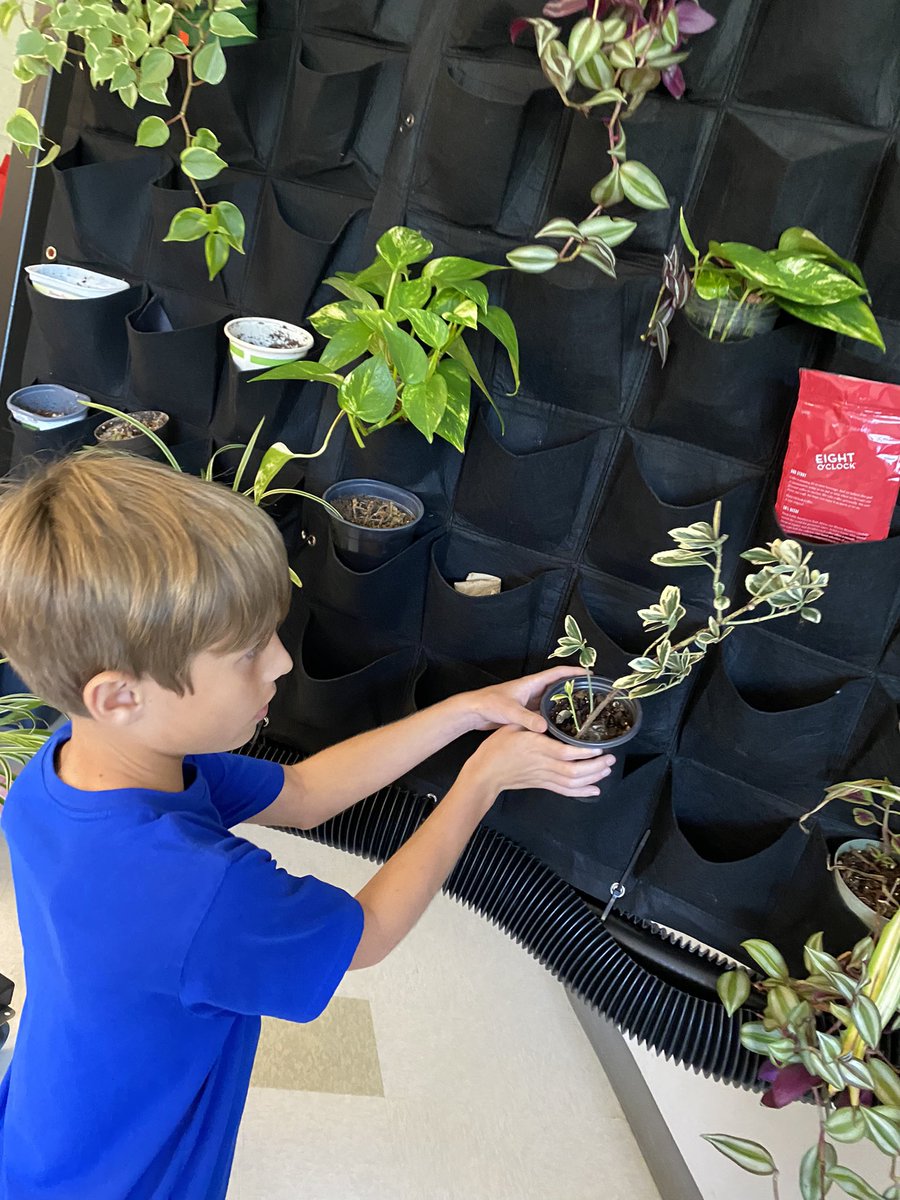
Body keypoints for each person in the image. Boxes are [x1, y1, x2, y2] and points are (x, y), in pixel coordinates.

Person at [0, 451, 614, 1199]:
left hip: (45, 1123)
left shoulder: (69, 766)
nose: (281, 663)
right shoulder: (200, 891)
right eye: (248, 652)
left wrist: (463, 713)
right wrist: (480, 780)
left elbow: (303, 792)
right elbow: (369, 931)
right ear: (120, 696)